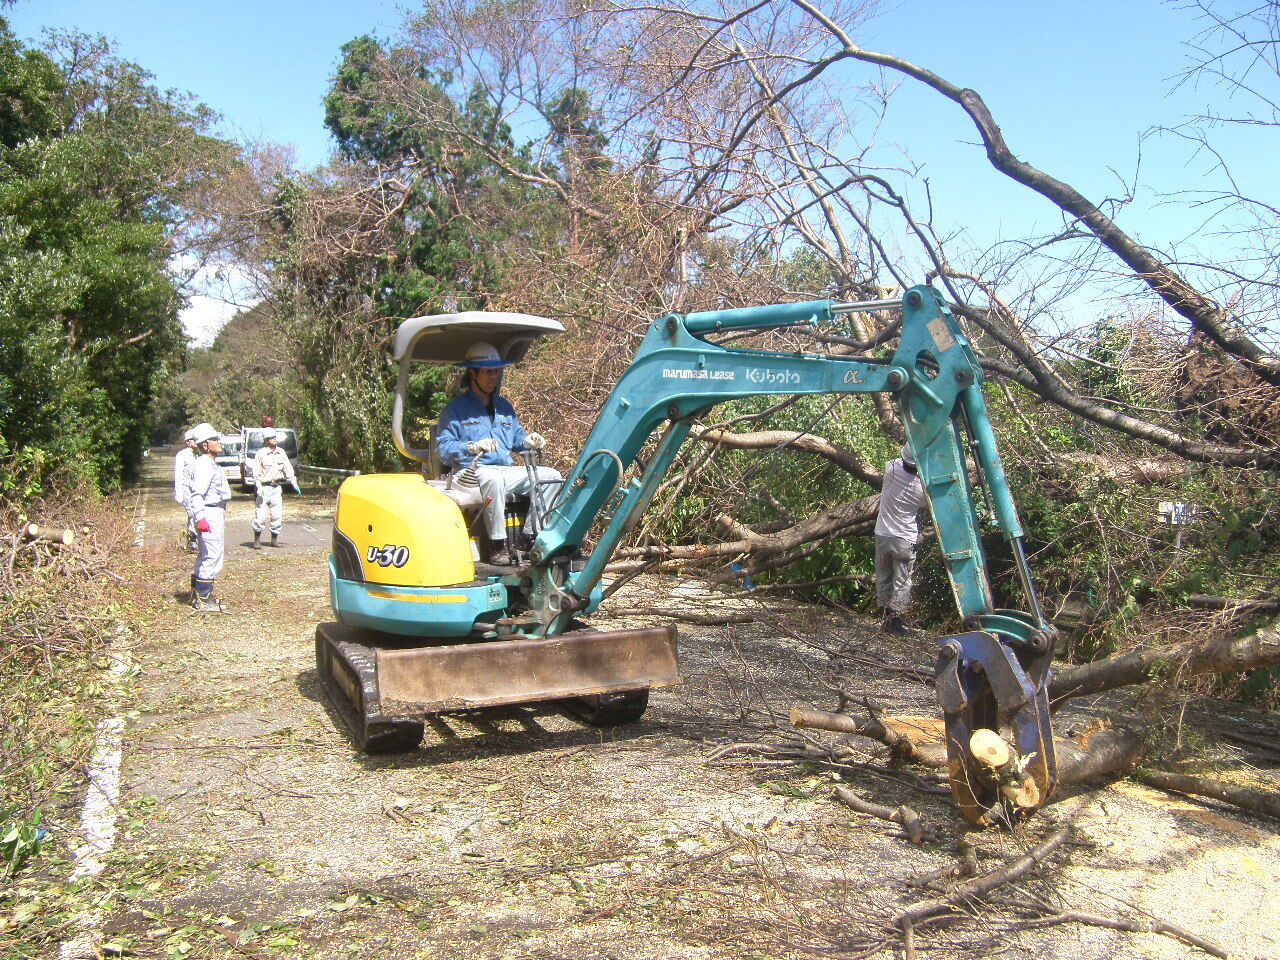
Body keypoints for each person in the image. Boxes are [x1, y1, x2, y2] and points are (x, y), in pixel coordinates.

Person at [436, 341, 561, 565]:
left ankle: (529, 538)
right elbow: (443, 450)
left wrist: (529, 441)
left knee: (551, 476)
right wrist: (471, 447)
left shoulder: (504, 407)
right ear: (472, 373)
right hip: (469, 473)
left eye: (496, 371)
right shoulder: (455, 410)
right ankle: (497, 546)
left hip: (504, 470)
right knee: (492, 478)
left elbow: (516, 441)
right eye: (487, 371)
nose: (493, 376)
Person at [875, 443, 928, 637]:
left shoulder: (891, 468)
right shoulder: (921, 489)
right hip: (904, 539)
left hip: (882, 534)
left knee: (884, 577)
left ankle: (884, 620)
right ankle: (894, 623)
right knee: (902, 581)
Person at [184, 423, 232, 611]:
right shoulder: (204, 465)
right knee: (212, 555)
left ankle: (199, 595)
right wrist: (200, 517)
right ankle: (203, 598)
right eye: (214, 440)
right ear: (205, 445)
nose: (219, 442)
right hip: (209, 513)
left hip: (215, 511)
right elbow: (197, 494)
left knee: (206, 555)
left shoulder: (210, 463)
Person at [249, 428, 300, 549]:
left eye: (275, 437)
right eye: (272, 438)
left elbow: (288, 468)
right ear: (266, 440)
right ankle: (257, 540)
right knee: (260, 516)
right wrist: (258, 487)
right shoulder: (261, 453)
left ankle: (274, 540)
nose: (275, 439)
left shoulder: (281, 452)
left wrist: (294, 483)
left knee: (276, 515)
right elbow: (256, 472)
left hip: (276, 487)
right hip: (264, 488)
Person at [173, 428, 198, 551]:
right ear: (188, 442)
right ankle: (192, 540)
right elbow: (178, 474)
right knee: (193, 513)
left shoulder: (197, 456)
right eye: (194, 440)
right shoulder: (182, 455)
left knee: (195, 514)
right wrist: (179, 493)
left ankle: (191, 540)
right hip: (185, 489)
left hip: (195, 491)